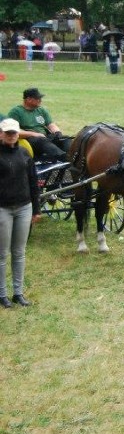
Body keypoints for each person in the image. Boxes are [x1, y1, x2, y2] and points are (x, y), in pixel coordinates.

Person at [0, 118, 40, 307]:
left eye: (14, 133)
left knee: (19, 252)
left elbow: (33, 183)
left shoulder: (24, 153)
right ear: (1, 134)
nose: (11, 136)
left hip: (24, 207)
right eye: (7, 133)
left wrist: (36, 209)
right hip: (3, 209)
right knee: (2, 254)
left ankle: (18, 292)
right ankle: (2, 295)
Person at [8, 88, 71, 160]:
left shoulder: (41, 110)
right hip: (29, 140)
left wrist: (57, 132)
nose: (40, 100)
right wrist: (34, 134)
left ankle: (70, 156)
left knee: (66, 139)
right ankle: (63, 157)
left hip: (44, 137)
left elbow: (50, 124)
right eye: (38, 98)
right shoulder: (16, 112)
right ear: (28, 99)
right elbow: (14, 131)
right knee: (41, 141)